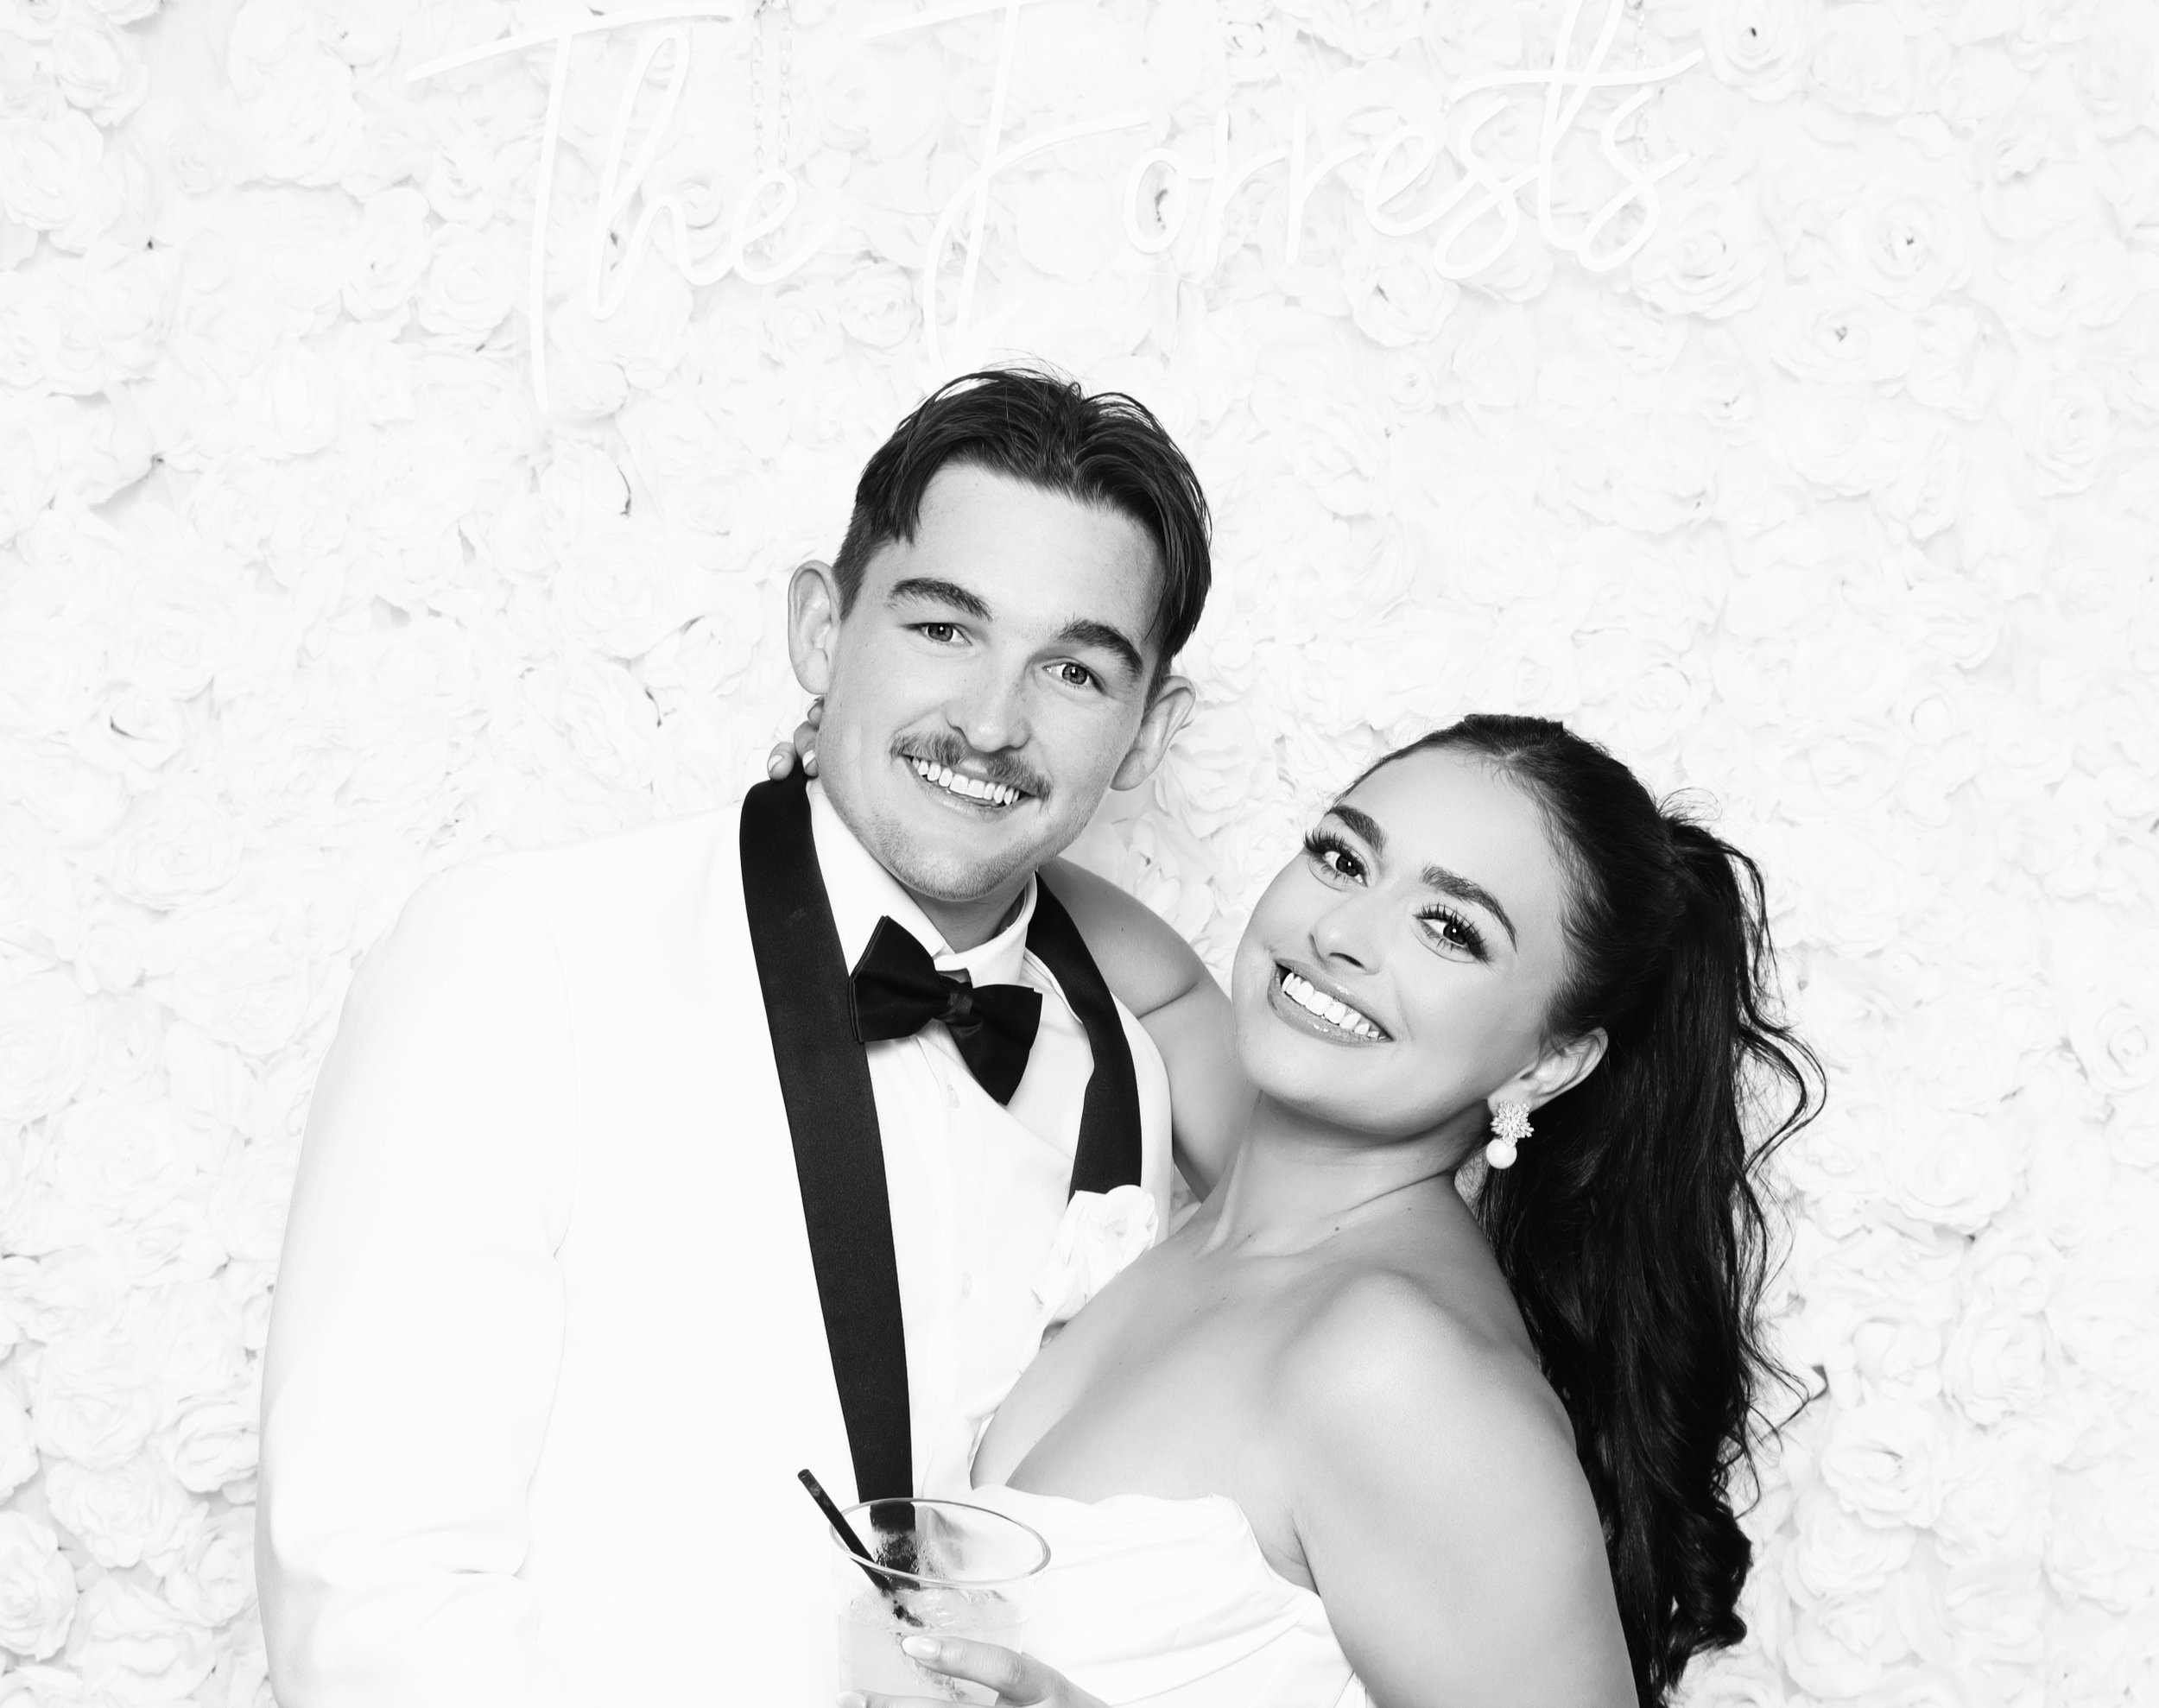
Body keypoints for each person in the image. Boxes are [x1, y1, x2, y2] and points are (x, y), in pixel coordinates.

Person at [255, 368, 1232, 1707]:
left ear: (1145, 733)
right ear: (822, 630)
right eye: (945, 627)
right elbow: (370, 1587)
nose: (995, 720)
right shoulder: (522, 949)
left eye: (1072, 667)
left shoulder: (1130, 1059)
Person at [825, 715, 1820, 1708]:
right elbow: (1157, 983)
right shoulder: (1252, 1207)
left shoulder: (1399, 1369)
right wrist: (870, 805)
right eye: (1343, 858)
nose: (1338, 933)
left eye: (1450, 929)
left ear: (1547, 1061)